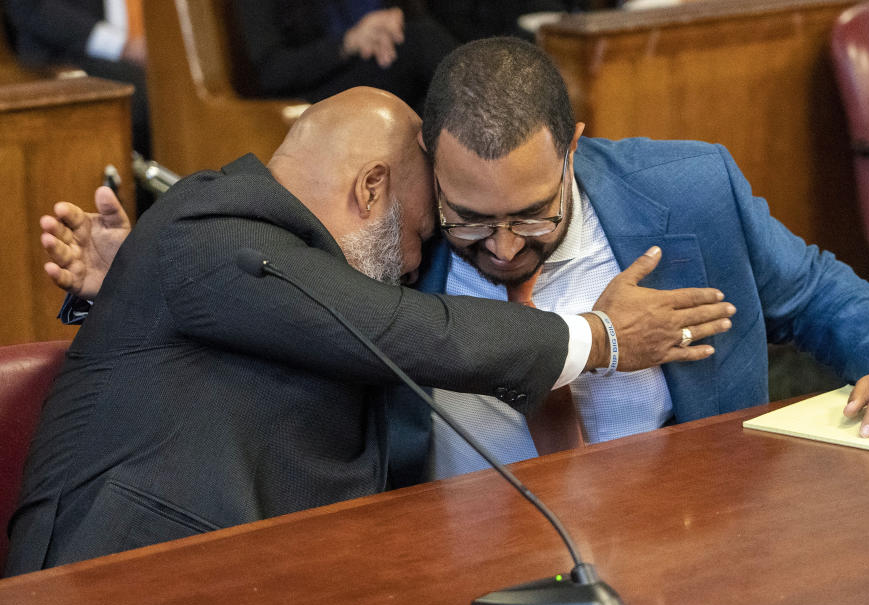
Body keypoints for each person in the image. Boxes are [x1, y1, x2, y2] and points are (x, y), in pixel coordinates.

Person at [8, 87, 735, 576]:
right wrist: (599, 337)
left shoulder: (229, 263)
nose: (418, 263)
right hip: (119, 570)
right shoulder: (213, 223)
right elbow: (409, 331)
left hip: (258, 579)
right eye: (423, 233)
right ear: (372, 188)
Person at [388, 37, 869, 480]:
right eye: (470, 219)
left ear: (572, 148)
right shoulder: (390, 247)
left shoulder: (691, 192)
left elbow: (812, 291)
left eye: (534, 215)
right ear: (429, 161)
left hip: (684, 527)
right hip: (462, 549)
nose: (505, 246)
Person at [230, 0, 457, 113]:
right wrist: (348, 43)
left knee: (433, 99)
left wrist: (392, 22)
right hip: (308, 94)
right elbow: (270, 73)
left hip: (380, 67)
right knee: (420, 41)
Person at [4, 0, 151, 156]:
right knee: (144, 92)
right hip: (64, 60)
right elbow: (31, 7)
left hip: (143, 54)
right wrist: (122, 46)